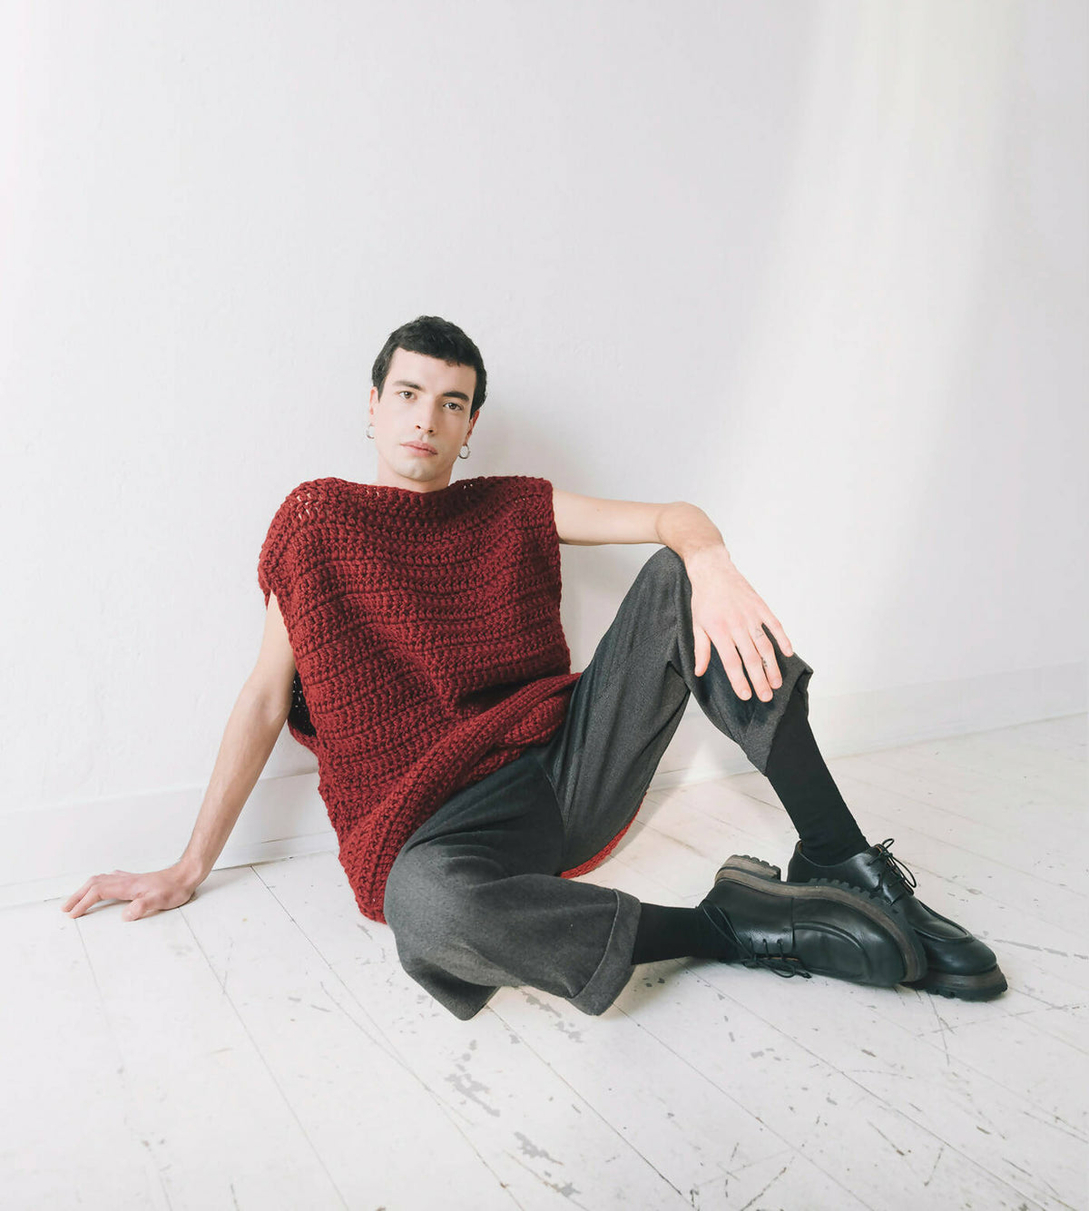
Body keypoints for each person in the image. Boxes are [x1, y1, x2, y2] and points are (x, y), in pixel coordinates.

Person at [62, 315, 1006, 1017]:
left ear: (470, 424)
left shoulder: (511, 505)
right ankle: (731, 926)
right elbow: (265, 698)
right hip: (432, 833)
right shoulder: (316, 524)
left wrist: (711, 565)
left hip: (562, 770)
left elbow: (670, 519)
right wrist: (189, 864)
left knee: (677, 579)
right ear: (372, 405)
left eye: (451, 403)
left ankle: (840, 858)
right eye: (407, 395)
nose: (426, 419)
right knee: (424, 915)